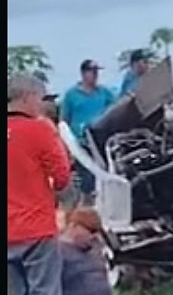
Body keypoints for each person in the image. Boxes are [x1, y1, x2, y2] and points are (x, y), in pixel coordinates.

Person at [8, 74, 72, 295]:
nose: (42, 104)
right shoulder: (40, 130)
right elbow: (62, 176)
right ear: (28, 97)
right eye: (40, 98)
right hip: (36, 228)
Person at [60, 60, 116, 205]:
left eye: (97, 72)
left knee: (106, 175)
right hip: (81, 142)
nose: (96, 75)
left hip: (102, 140)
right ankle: (87, 206)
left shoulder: (104, 92)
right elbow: (64, 119)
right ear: (84, 73)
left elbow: (116, 109)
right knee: (87, 179)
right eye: (92, 72)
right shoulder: (72, 95)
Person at [58, 208, 113, 295]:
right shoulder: (58, 253)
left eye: (97, 232)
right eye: (91, 231)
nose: (95, 236)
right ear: (74, 226)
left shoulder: (96, 247)